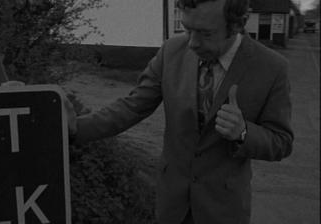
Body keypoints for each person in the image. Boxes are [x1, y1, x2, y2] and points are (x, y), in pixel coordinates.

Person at [66, 0, 294, 223]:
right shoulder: (171, 51)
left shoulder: (272, 68)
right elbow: (132, 106)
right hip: (172, 204)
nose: (193, 43)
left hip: (224, 209)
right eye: (187, 29)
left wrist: (244, 133)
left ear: (236, 26)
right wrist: (77, 126)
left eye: (205, 34)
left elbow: (281, 142)